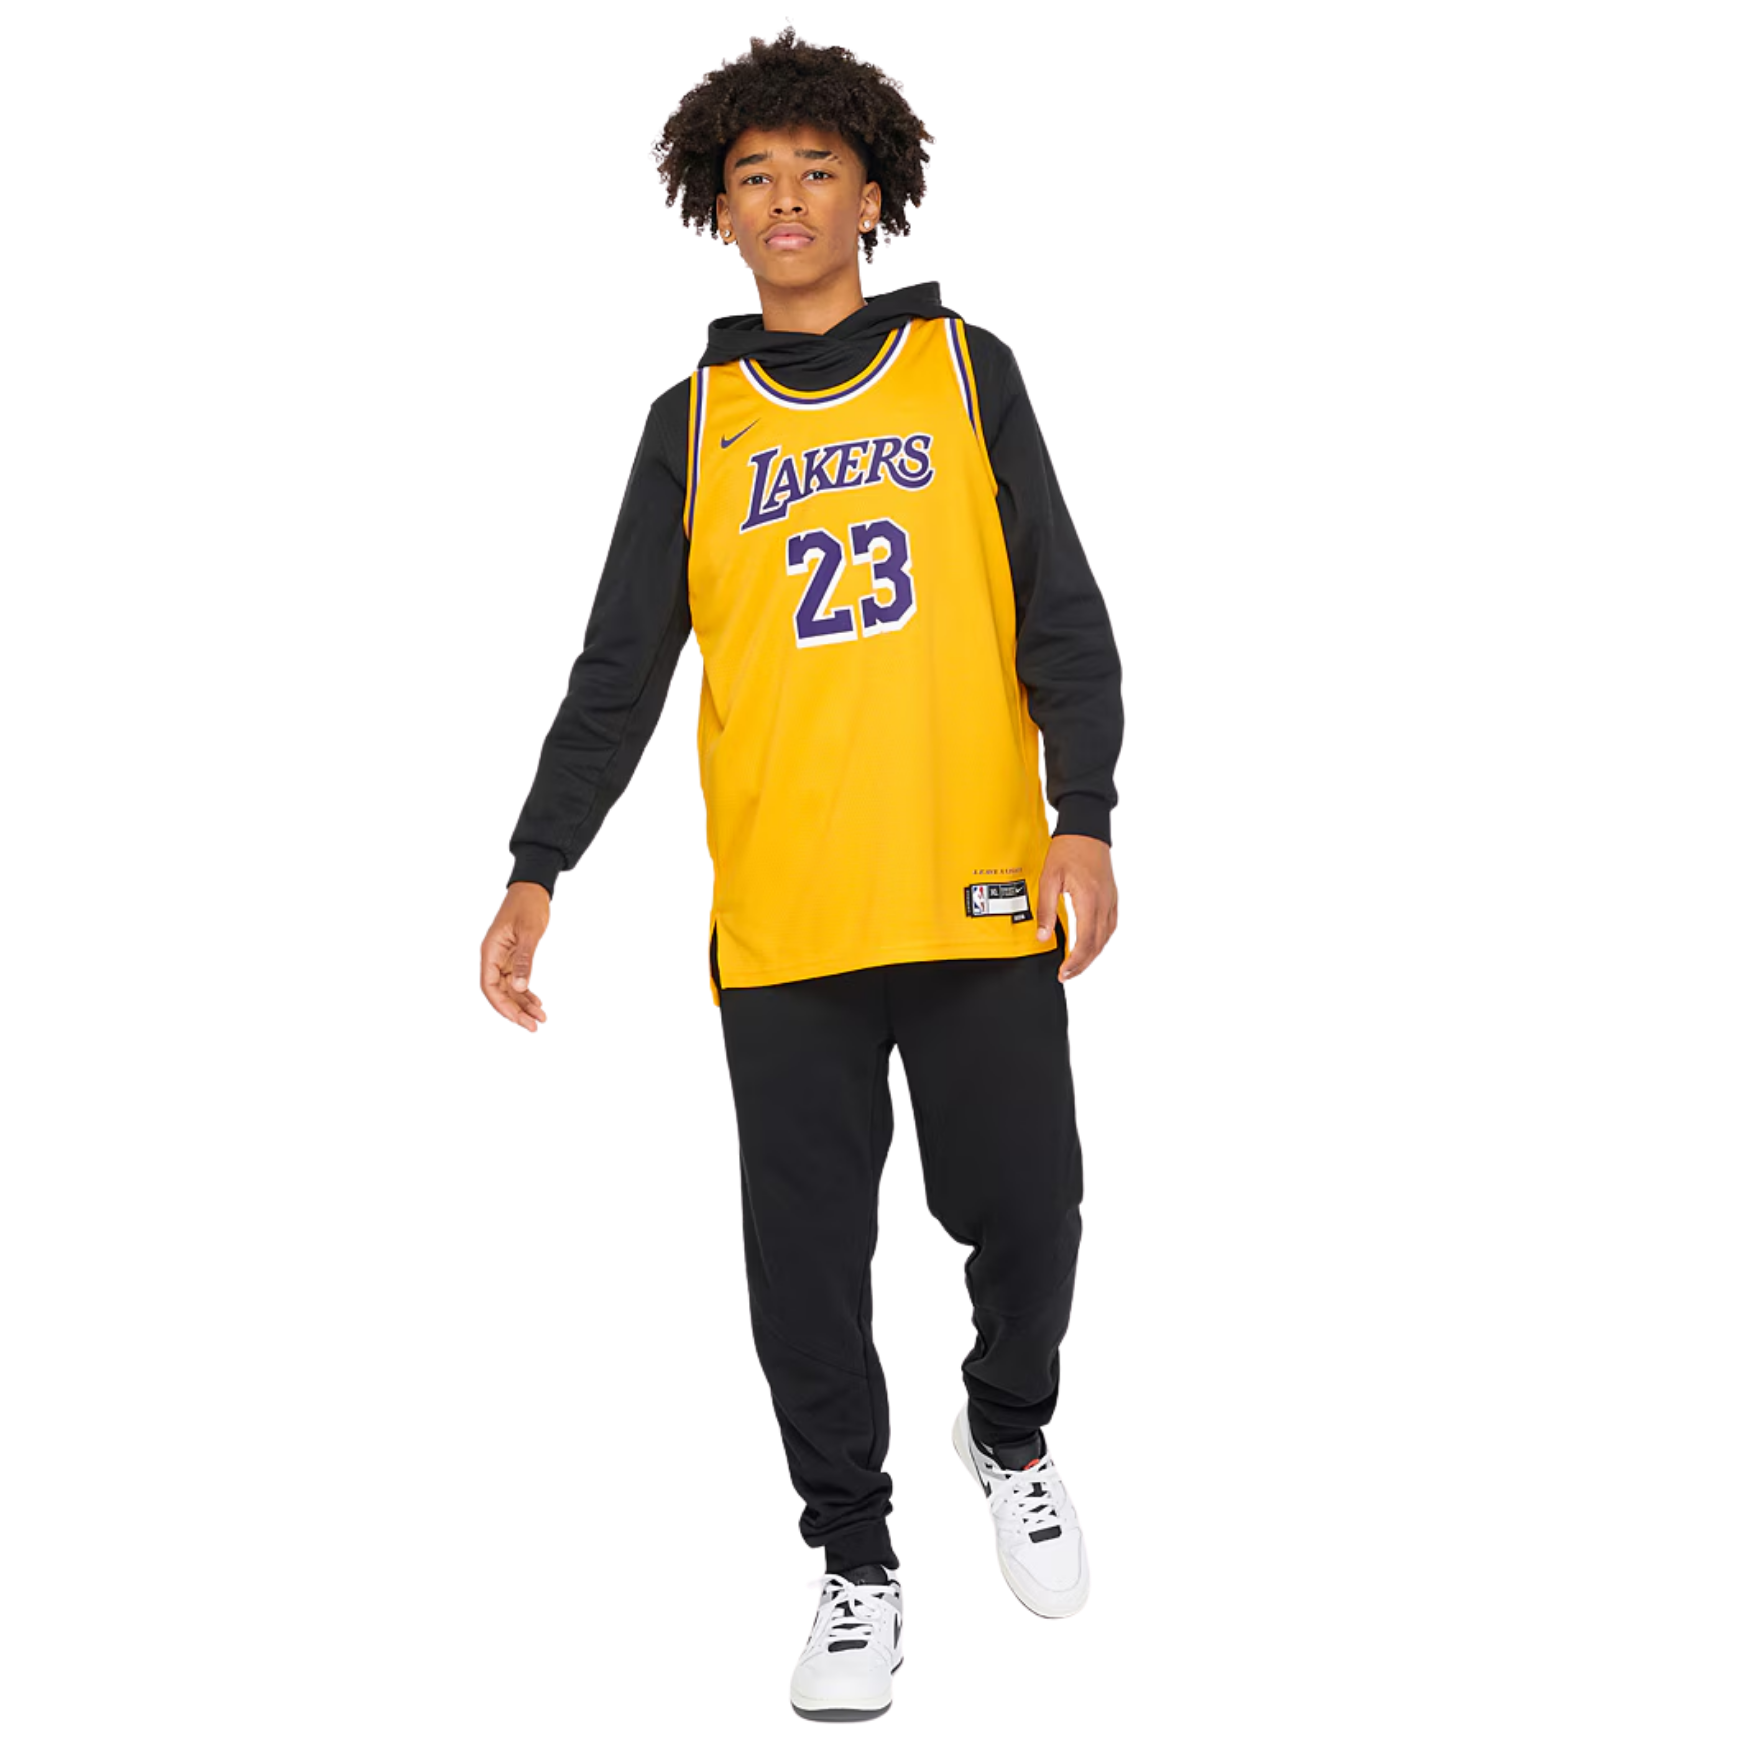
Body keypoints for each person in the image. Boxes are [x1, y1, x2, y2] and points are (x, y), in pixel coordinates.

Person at [478, 25, 1123, 1723]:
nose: (785, 199)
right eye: (753, 175)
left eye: (817, 171)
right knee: (805, 1268)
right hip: (786, 927)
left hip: (977, 889)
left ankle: (1009, 1429)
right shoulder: (691, 424)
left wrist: (1084, 809)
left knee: (1032, 1206)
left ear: (871, 195)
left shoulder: (964, 372)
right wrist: (539, 864)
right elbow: (618, 672)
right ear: (716, 206)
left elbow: (1059, 609)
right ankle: (853, 1553)